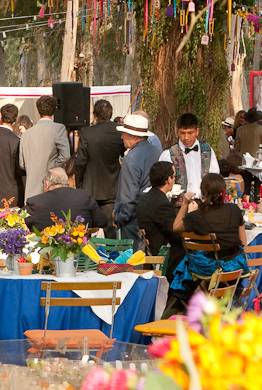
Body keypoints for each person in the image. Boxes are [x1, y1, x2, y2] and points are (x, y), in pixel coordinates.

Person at [171, 173, 249, 296]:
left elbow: (175, 227)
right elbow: (243, 241)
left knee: (189, 259)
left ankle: (188, 296)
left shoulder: (197, 216)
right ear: (223, 191)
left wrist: (185, 204)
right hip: (235, 266)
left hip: (206, 267)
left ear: (203, 191)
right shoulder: (234, 210)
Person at [75, 99, 126, 233]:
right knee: (110, 228)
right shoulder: (119, 133)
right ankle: (112, 253)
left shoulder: (87, 132)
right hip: (112, 186)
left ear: (95, 114)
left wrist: (79, 184)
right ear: (111, 113)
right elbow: (124, 154)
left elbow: (80, 161)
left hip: (90, 186)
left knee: (87, 229)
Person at [114, 114, 162, 245]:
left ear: (134, 136)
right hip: (153, 214)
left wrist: (120, 217)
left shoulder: (132, 157)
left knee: (132, 261)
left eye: (125, 133)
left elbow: (128, 195)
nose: (122, 137)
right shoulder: (156, 151)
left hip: (133, 219)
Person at [135, 162, 186, 281]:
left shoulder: (145, 198)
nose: (174, 180)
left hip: (151, 253)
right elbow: (176, 233)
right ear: (168, 179)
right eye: (174, 176)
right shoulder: (161, 204)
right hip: (166, 258)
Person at [24, 168, 109, 232]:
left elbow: (18, 223)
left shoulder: (35, 202)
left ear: (46, 185)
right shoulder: (84, 196)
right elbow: (102, 221)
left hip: (44, 253)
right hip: (79, 251)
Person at [19, 95, 70, 199]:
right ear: (54, 110)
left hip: (30, 191)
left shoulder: (26, 134)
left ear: (38, 110)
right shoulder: (58, 128)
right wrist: (52, 168)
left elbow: (22, 164)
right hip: (52, 187)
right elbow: (65, 155)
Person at [158, 113, 220, 197]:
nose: (186, 137)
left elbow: (214, 175)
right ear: (177, 132)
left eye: (190, 133)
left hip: (204, 203)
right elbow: (162, 182)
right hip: (179, 205)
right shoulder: (168, 154)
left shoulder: (207, 150)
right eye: (183, 133)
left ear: (197, 131)